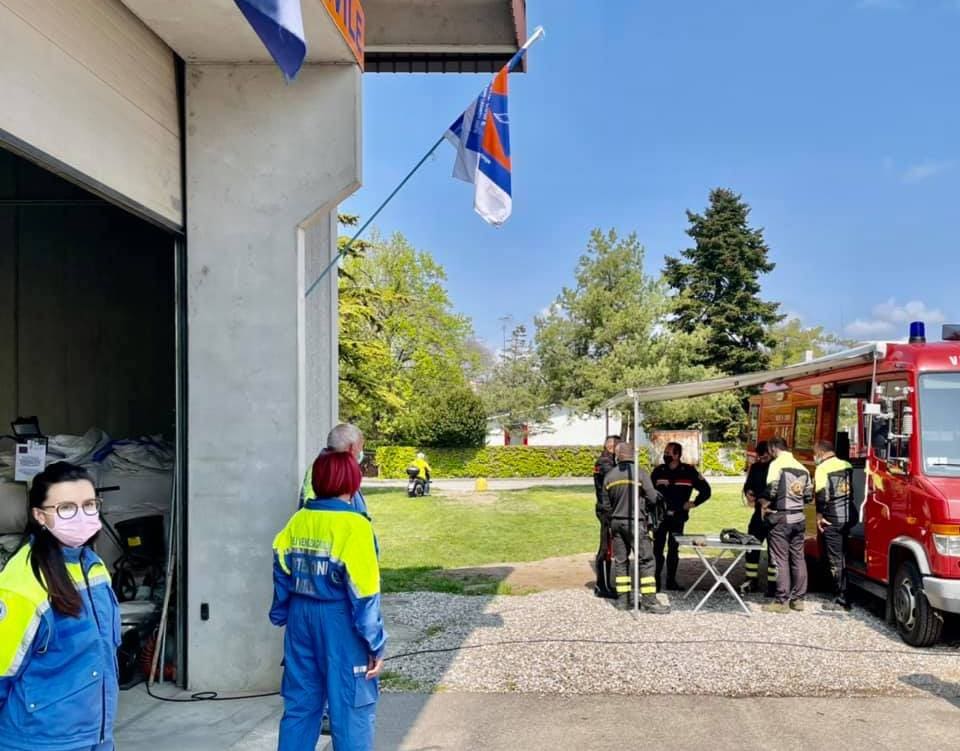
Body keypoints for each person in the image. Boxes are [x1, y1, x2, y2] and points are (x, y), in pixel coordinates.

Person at [0, 462, 120, 751]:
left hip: (96, 733)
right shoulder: (22, 585)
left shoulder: (92, 565)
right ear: (40, 515)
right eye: (67, 508)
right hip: (39, 740)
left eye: (90, 504)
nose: (82, 515)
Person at [271, 451, 386, 751]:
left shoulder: (298, 520)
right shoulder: (355, 526)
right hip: (340, 621)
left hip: (300, 617)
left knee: (300, 708)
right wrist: (375, 644)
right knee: (351, 709)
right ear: (352, 481)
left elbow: (281, 567)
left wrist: (282, 611)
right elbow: (364, 593)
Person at [599, 442, 669, 614]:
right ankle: (649, 602)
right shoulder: (640, 474)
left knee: (621, 562)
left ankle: (623, 601)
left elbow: (605, 506)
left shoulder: (609, 476)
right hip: (636, 523)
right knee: (646, 560)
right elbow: (653, 498)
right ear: (633, 455)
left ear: (617, 455)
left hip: (616, 523)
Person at [761, 437, 813, 614]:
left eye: (770, 450)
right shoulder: (803, 467)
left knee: (780, 559)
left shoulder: (776, 465)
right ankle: (798, 600)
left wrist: (765, 505)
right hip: (799, 518)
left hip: (781, 518)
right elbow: (808, 497)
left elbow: (771, 491)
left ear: (774, 448)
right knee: (798, 558)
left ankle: (781, 601)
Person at [651, 442, 711, 591]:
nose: (665, 455)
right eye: (665, 452)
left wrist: (694, 503)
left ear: (677, 455)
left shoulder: (689, 471)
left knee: (673, 549)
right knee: (657, 549)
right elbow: (648, 491)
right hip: (660, 517)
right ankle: (656, 581)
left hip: (678, 517)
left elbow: (706, 491)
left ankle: (671, 581)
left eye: (668, 453)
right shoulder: (659, 471)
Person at [813, 440, 857, 612]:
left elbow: (822, 494)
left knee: (835, 558)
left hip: (832, 517)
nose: (815, 457)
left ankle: (842, 598)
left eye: (815, 453)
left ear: (822, 453)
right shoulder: (847, 465)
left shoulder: (822, 468)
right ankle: (846, 591)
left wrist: (819, 515)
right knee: (843, 555)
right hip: (849, 514)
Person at [300, 423, 369, 517]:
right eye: (360, 447)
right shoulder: (322, 470)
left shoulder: (323, 468)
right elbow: (314, 510)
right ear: (351, 448)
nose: (360, 453)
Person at [740, 441, 778, 597]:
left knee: (774, 551)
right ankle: (751, 579)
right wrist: (748, 492)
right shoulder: (755, 467)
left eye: (764, 456)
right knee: (751, 546)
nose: (761, 459)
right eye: (759, 456)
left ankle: (773, 585)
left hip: (773, 512)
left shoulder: (776, 467)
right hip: (758, 514)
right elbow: (748, 485)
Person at [592, 435, 620, 598]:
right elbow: (616, 478)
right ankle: (602, 585)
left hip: (607, 508)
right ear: (612, 447)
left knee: (608, 547)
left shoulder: (608, 461)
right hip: (606, 510)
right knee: (606, 548)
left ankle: (605, 584)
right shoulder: (605, 462)